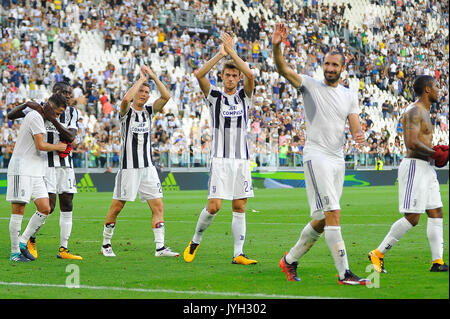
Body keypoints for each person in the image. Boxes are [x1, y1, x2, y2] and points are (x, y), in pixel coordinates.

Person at [272, 23, 370, 285]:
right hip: (317, 156)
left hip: (338, 159)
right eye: (326, 64)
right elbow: (282, 69)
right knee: (333, 211)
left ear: (342, 68)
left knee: (321, 220)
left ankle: (289, 260)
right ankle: (344, 273)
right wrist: (276, 45)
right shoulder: (310, 85)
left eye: (334, 66)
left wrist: (359, 134)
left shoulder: (349, 94)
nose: (329, 69)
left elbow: (353, 121)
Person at [183, 32, 257, 265]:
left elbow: (251, 75)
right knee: (214, 207)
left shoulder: (245, 96)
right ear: (222, 76)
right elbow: (199, 74)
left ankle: (238, 253)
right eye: (228, 75)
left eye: (235, 75)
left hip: (242, 159)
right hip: (221, 159)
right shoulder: (214, 95)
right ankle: (195, 241)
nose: (232, 78)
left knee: (239, 206)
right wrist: (221, 53)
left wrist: (233, 52)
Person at [368, 75, 449, 273]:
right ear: (428, 89)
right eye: (437, 86)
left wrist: (434, 150)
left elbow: (421, 141)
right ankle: (378, 253)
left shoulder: (424, 111)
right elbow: (411, 142)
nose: (440, 90)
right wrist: (435, 153)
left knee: (436, 211)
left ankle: (437, 261)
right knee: (413, 217)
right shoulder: (414, 111)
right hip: (414, 166)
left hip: (425, 168)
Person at [101, 65, 179, 258]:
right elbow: (126, 99)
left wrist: (153, 76)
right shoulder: (126, 113)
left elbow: (166, 96)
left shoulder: (149, 111)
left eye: (146, 92)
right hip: (129, 168)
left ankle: (160, 247)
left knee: (158, 206)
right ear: (135, 92)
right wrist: (141, 80)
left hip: (148, 168)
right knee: (117, 207)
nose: (143, 95)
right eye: (141, 91)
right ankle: (106, 244)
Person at [8, 81, 82, 260]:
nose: (67, 95)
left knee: (45, 207)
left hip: (38, 168)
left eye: (69, 94)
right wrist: (26, 103)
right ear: (54, 94)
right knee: (19, 208)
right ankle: (16, 251)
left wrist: (54, 119)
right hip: (26, 166)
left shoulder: (69, 113)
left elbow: (71, 136)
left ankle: (24, 241)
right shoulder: (36, 113)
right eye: (63, 92)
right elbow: (39, 144)